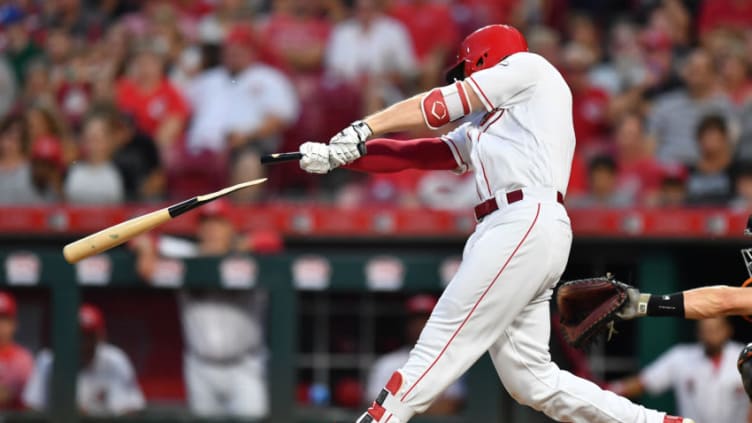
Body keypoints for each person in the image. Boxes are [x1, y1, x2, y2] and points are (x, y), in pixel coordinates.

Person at [298, 24, 693, 423]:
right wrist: (342, 155)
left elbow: (438, 106)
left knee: (445, 334)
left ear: (485, 56)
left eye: (466, 67)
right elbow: (423, 153)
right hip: (520, 225)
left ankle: (382, 418)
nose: (464, 75)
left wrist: (365, 127)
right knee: (533, 382)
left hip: (522, 218)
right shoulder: (498, 121)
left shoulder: (529, 68)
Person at [131, 199, 279, 418]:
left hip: (244, 366)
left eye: (218, 224)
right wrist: (146, 250)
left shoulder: (249, 256)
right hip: (200, 367)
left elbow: (273, 240)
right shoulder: (187, 255)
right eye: (206, 224)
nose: (211, 231)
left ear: (231, 228)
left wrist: (241, 246)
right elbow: (137, 234)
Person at [608, 318, 749, 423]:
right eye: (705, 330)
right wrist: (603, 392)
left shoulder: (746, 357)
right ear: (698, 333)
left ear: (728, 330)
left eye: (715, 329)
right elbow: (644, 382)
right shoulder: (680, 357)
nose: (710, 335)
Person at [22, 304, 145, 416]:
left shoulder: (115, 361)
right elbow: (32, 408)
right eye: (80, 336)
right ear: (68, 336)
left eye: (90, 336)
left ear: (101, 336)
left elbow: (132, 408)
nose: (85, 343)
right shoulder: (48, 361)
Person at [367, 295, 464, 415]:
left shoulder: (448, 361)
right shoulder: (387, 363)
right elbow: (377, 406)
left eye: (425, 320)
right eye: (415, 321)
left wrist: (400, 408)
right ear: (406, 325)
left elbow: (451, 405)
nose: (419, 326)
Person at [648, 49, 736, 165]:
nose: (695, 73)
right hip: (668, 169)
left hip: (704, 171)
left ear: (713, 75)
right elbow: (650, 142)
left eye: (701, 69)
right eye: (692, 68)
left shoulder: (724, 106)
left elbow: (730, 145)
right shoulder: (665, 104)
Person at [63, 111, 125, 204]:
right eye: (89, 139)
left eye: (97, 139)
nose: (93, 145)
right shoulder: (74, 170)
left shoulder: (115, 173)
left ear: (107, 141)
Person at [686, 114, 736, 205]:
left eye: (713, 138)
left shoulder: (738, 170)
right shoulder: (688, 170)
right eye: (704, 138)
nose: (708, 143)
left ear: (724, 138)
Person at [0, 291, 33, 410]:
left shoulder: (23, 359)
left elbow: (31, 400)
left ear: (14, 324)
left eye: (4, 319)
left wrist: (9, 394)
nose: (0, 326)